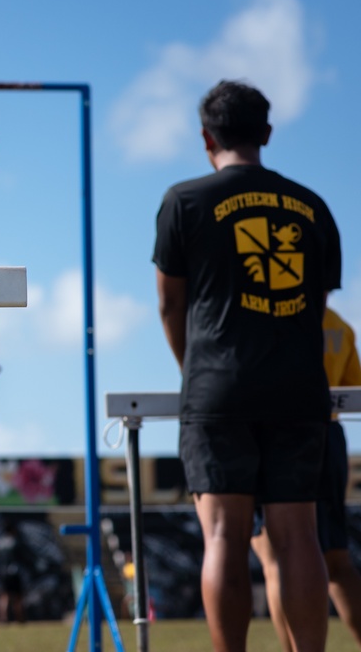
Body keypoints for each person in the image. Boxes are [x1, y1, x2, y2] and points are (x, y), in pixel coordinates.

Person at [153, 79, 340, 652]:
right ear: (266, 133)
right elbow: (317, 304)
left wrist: (196, 371)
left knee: (223, 537)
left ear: (206, 137)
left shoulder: (183, 200)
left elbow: (169, 302)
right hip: (300, 387)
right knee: (299, 536)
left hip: (218, 387)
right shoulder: (312, 206)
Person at [251, 306, 361, 651]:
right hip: (325, 434)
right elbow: (352, 390)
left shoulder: (262, 314)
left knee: (275, 561)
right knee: (336, 561)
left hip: (270, 430)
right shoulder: (338, 327)